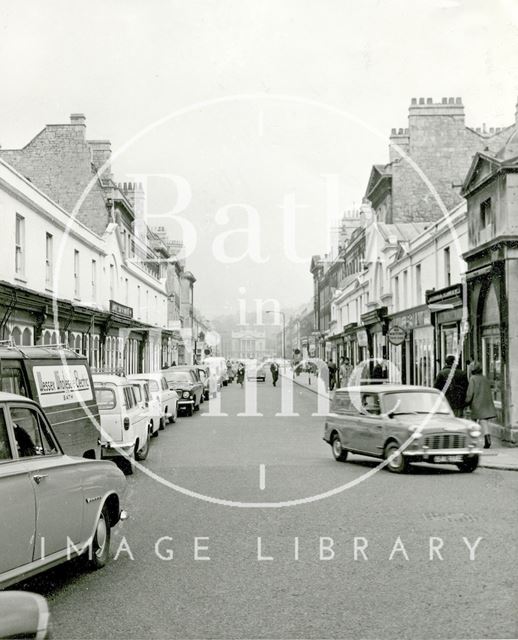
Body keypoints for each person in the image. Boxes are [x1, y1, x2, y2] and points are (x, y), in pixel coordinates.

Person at [465, 362, 496, 449]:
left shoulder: (472, 379)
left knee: (472, 422)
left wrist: (466, 401)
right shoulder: (484, 378)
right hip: (485, 402)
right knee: (483, 421)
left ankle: (472, 441)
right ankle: (487, 439)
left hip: (476, 403)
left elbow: (470, 393)